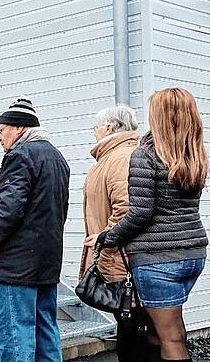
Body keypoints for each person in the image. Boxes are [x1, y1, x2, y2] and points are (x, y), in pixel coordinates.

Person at [85, 88, 208, 362]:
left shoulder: (146, 155)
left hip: (157, 260)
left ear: (160, 117)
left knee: (170, 338)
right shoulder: (195, 154)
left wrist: (106, 237)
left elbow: (139, 214)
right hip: (193, 255)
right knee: (168, 329)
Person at [0, 98, 70, 362]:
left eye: (1, 130)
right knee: (46, 331)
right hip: (45, 262)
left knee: (14, 334)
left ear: (19, 128)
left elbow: (8, 209)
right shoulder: (57, 157)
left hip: (14, 266)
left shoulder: (20, 156)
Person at [79, 106, 145, 360]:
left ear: (109, 127)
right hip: (115, 255)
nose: (93, 131)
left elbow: (127, 208)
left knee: (134, 331)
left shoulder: (120, 158)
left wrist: (105, 238)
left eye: (96, 126)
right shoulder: (111, 157)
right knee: (128, 328)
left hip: (121, 258)